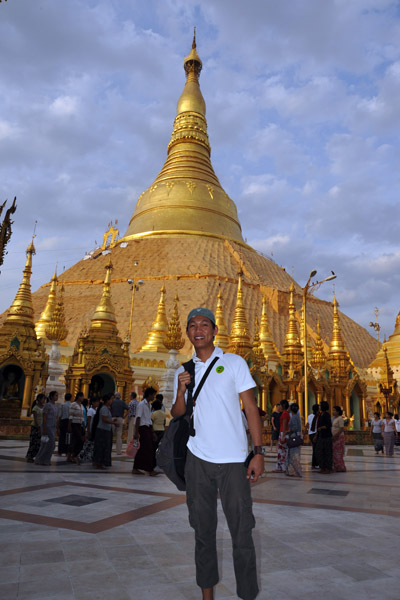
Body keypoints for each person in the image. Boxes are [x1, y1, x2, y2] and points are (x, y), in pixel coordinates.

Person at [172, 307, 263, 600]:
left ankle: (247, 594)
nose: (198, 330)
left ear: (213, 330)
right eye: (192, 326)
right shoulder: (183, 369)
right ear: (187, 333)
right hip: (197, 460)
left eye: (204, 325)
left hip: (234, 460)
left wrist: (258, 452)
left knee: (242, 533)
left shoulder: (234, 363)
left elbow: (250, 408)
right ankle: (207, 596)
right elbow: (177, 414)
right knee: (202, 532)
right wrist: (180, 391)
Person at [132, 387, 158, 476]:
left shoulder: (149, 405)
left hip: (148, 428)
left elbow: (149, 419)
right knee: (149, 449)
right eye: (153, 395)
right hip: (142, 428)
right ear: (149, 395)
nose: (154, 397)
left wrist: (153, 432)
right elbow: (138, 418)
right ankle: (150, 470)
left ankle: (136, 468)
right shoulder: (141, 404)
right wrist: (136, 432)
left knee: (143, 449)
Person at [34, 390, 59, 466]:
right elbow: (44, 417)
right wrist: (44, 428)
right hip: (47, 426)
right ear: (51, 396)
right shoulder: (47, 405)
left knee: (50, 445)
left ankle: (45, 460)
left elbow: (56, 417)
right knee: (48, 444)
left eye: (57, 395)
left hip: (53, 427)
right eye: (56, 395)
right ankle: (40, 459)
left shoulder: (56, 406)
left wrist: (57, 428)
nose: (57, 397)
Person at [93, 393, 116, 469]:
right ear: (107, 400)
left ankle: (101, 462)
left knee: (105, 446)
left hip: (106, 429)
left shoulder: (107, 408)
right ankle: (99, 463)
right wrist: (113, 422)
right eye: (111, 399)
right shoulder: (104, 408)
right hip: (103, 430)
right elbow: (104, 419)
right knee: (101, 447)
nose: (112, 400)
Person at [79, 397, 99, 464]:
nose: (97, 403)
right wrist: (88, 431)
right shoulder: (90, 410)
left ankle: (89, 457)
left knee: (91, 445)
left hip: (93, 430)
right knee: (87, 445)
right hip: (90, 430)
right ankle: (80, 456)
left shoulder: (95, 410)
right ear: (93, 402)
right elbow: (89, 420)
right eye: (96, 402)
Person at [26, 393, 46, 462]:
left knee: (40, 443)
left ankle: (38, 456)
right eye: (43, 398)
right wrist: (38, 426)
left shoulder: (44, 407)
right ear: (39, 399)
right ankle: (30, 457)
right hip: (35, 427)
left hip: (42, 426)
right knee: (34, 442)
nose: (44, 400)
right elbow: (35, 418)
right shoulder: (35, 408)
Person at [273, 399, 290, 473]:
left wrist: (283, 435)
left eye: (280, 405)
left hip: (283, 433)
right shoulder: (285, 413)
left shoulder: (285, 413)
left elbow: (284, 424)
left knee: (283, 451)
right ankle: (279, 466)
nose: (279, 406)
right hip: (283, 433)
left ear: (283, 405)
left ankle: (282, 467)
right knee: (281, 451)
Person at [315, 400, 332, 474]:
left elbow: (328, 425)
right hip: (321, 436)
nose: (319, 407)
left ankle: (328, 468)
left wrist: (321, 428)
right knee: (319, 451)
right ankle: (322, 467)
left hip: (326, 436)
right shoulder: (321, 415)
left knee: (327, 452)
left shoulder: (326, 415)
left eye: (320, 405)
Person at [286, 402, 302, 477]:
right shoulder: (296, 416)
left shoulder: (294, 417)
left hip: (293, 437)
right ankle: (293, 471)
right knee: (293, 454)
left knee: (293, 455)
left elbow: (295, 428)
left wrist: (288, 431)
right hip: (295, 436)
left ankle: (295, 471)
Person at [68, 392, 85, 465]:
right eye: (82, 396)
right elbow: (71, 415)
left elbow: (82, 416)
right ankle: (74, 455)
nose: (83, 398)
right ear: (78, 397)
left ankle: (72, 455)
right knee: (78, 440)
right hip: (74, 424)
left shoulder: (81, 405)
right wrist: (69, 425)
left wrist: (83, 425)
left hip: (79, 424)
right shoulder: (73, 405)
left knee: (76, 440)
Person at [332, 406, 346, 472]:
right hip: (334, 437)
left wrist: (336, 435)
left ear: (338, 412)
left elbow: (341, 428)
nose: (333, 412)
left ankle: (340, 467)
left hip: (339, 437)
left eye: (334, 410)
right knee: (334, 453)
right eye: (333, 410)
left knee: (338, 453)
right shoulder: (334, 418)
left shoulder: (340, 418)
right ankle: (336, 466)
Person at [305, 403, 320, 469]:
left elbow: (307, 425)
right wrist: (305, 432)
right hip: (314, 433)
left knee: (316, 448)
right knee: (316, 448)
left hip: (311, 433)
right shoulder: (317, 416)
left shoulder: (310, 416)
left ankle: (315, 463)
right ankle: (315, 463)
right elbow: (307, 424)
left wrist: (305, 432)